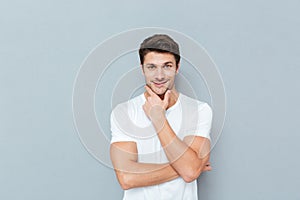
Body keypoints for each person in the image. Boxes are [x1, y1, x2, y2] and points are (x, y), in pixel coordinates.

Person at [110, 34, 213, 200]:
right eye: (151, 67)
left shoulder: (199, 110)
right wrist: (189, 166)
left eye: (167, 66)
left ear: (177, 67)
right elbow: (127, 179)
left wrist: (158, 118)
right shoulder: (124, 112)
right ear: (142, 69)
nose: (159, 76)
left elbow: (190, 171)